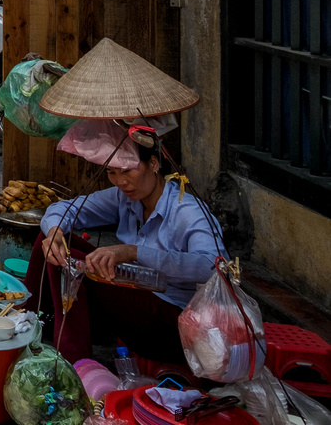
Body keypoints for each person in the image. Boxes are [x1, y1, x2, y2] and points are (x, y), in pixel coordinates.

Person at [23, 123, 226, 364]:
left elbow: (211, 266)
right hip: (134, 294)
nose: (120, 181)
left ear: (154, 164)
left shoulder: (187, 210)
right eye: (112, 172)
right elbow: (64, 209)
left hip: (174, 319)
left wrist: (132, 252)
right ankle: (27, 322)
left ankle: (74, 361)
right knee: (51, 242)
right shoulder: (126, 198)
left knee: (79, 267)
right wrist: (55, 233)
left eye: (127, 170)